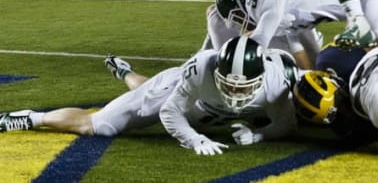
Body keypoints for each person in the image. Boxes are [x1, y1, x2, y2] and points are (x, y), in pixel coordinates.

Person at [0, 37, 300, 155]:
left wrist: (260, 135)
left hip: (201, 105)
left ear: (261, 77)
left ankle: (125, 73)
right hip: (175, 93)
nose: (235, 93)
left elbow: (287, 123)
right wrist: (194, 139)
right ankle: (29, 117)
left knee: (146, 89)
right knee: (99, 125)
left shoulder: (280, 77)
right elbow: (170, 113)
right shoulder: (198, 70)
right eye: (228, 84)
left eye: (242, 86)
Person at [208, 0, 378, 70]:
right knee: (335, 66)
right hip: (357, 8)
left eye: (237, 17)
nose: (239, 24)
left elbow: (259, 41)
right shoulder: (276, 14)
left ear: (242, 4)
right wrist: (309, 78)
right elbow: (300, 55)